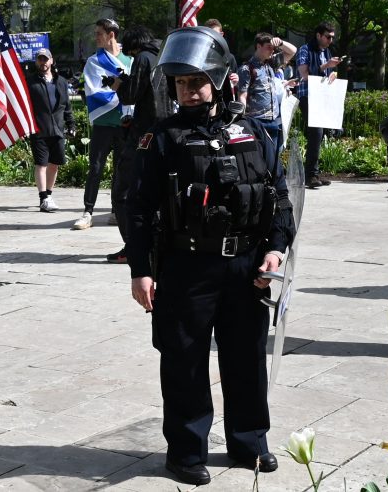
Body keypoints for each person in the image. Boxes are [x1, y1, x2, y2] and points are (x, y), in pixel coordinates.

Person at [124, 25, 295, 486]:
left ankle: (249, 443)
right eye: (180, 83)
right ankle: (185, 450)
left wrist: (276, 252)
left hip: (246, 267)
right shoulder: (161, 139)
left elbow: (278, 197)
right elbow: (137, 209)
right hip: (187, 265)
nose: (189, 91)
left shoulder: (256, 132)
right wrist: (141, 271)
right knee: (183, 360)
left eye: (196, 81)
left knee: (244, 358)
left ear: (218, 80)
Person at [108, 26, 167, 264]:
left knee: (123, 193)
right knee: (157, 194)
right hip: (163, 132)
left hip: (144, 136)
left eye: (130, 53)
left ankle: (133, 246)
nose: (131, 57)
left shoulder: (142, 57)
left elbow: (131, 95)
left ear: (134, 45)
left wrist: (119, 84)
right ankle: (154, 244)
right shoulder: (162, 55)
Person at [78, 17, 131, 230]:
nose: (96, 37)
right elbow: (93, 91)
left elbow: (134, 90)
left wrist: (126, 95)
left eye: (99, 33)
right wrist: (124, 95)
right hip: (103, 122)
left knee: (121, 169)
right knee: (95, 168)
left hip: (123, 123)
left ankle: (115, 211)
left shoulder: (130, 61)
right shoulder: (94, 62)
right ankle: (87, 212)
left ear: (111, 35)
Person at [25, 49, 74, 213]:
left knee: (55, 164)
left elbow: (67, 106)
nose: (43, 62)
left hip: (58, 129)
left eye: (45, 59)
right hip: (39, 129)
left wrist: (71, 124)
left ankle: (49, 194)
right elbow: (24, 106)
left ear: (51, 61)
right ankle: (43, 197)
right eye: (40, 59)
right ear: (36, 62)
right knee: (41, 164)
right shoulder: (30, 82)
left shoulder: (61, 82)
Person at [295, 22, 343, 189]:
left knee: (319, 134)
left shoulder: (326, 52)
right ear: (318, 35)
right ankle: (310, 176)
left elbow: (325, 73)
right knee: (316, 132)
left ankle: (313, 173)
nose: (330, 40)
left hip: (321, 96)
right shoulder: (305, 50)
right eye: (328, 36)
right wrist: (326, 66)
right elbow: (304, 74)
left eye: (332, 37)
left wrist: (333, 73)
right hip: (307, 95)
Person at [237, 32, 297, 149]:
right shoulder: (246, 68)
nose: (272, 51)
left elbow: (293, 51)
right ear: (258, 46)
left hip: (273, 120)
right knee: (258, 158)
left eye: (273, 48)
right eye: (269, 47)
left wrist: (281, 43)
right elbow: (242, 96)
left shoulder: (271, 63)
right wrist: (242, 120)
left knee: (273, 158)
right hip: (256, 121)